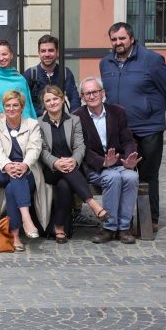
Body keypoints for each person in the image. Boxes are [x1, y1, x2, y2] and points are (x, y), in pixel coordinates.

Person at [100, 21, 166, 232]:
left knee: (148, 175)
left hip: (148, 129)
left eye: (122, 38)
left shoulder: (151, 60)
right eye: (114, 39)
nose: (118, 43)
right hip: (120, 130)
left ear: (131, 39)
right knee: (123, 174)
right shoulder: (105, 63)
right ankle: (123, 220)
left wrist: (153, 110)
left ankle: (148, 220)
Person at [74, 76, 141, 244]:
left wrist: (129, 159)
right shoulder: (77, 117)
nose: (91, 96)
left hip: (119, 163)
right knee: (112, 177)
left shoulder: (117, 111)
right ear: (82, 97)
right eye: (87, 93)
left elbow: (128, 140)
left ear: (102, 93)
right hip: (95, 168)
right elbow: (81, 148)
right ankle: (109, 227)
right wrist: (102, 162)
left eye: (95, 92)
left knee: (131, 177)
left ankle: (124, 228)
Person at [37, 85, 107, 244]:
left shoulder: (74, 120)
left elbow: (80, 146)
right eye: (48, 100)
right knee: (65, 175)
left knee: (64, 185)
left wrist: (74, 160)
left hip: (72, 167)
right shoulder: (39, 123)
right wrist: (56, 163)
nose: (52, 102)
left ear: (62, 100)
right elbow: (42, 151)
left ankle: (59, 228)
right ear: (44, 104)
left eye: (55, 98)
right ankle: (92, 203)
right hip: (50, 170)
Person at [0, 90, 51, 251]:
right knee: (15, 179)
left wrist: (25, 164)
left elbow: (35, 148)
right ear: (3, 107)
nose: (11, 108)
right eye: (8, 105)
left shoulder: (32, 124)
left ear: (22, 107)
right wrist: (7, 165)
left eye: (15, 105)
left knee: (13, 186)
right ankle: (26, 219)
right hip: (2, 170)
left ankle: (15, 235)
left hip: (26, 170)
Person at [23, 34, 81, 117]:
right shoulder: (30, 74)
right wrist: (40, 113)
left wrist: (73, 118)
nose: (47, 54)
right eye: (43, 51)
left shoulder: (65, 73)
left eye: (50, 50)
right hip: (36, 122)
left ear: (57, 52)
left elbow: (74, 98)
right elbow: (24, 101)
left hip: (61, 122)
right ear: (38, 53)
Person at [0, 40, 36, 120]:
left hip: (21, 125)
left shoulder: (20, 80)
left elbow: (27, 106)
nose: (1, 58)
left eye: (4, 54)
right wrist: (0, 115)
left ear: (11, 55)